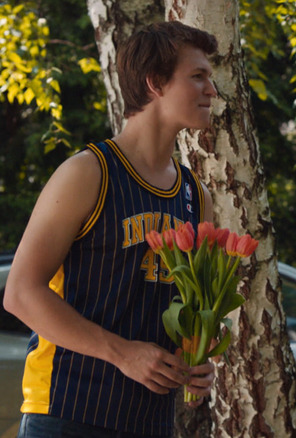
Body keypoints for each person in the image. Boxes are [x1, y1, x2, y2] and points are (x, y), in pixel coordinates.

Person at [4, 21, 219, 438]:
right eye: (198, 76)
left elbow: (191, 307)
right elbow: (21, 293)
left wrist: (199, 357)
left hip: (150, 422)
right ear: (155, 83)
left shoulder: (196, 196)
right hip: (67, 413)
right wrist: (123, 354)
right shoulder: (87, 173)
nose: (212, 90)